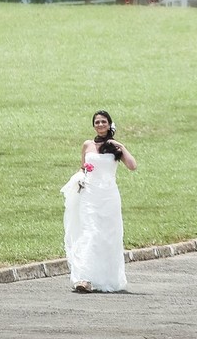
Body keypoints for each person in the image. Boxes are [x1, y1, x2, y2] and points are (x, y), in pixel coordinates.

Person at [60, 109, 137, 293]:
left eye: (104, 122)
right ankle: (84, 278)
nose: (100, 125)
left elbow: (132, 166)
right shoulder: (87, 145)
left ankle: (104, 278)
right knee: (90, 232)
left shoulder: (115, 147)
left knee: (108, 236)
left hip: (108, 196)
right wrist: (79, 178)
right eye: (97, 122)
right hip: (90, 196)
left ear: (110, 124)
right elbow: (82, 168)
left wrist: (121, 146)